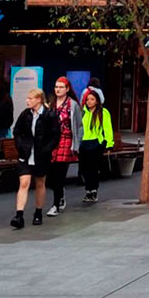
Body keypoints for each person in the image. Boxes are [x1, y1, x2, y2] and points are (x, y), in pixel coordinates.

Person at [10, 88, 59, 229]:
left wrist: (47, 149)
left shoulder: (49, 115)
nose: (27, 100)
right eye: (28, 98)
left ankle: (38, 212)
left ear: (39, 99)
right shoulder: (25, 114)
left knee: (39, 183)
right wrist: (20, 145)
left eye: (30, 98)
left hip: (41, 155)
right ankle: (19, 215)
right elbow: (17, 130)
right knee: (24, 183)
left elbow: (56, 135)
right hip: (26, 154)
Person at [46, 76, 82, 215]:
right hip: (53, 140)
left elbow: (79, 125)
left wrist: (77, 143)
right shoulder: (52, 104)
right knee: (50, 174)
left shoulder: (73, 105)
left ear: (67, 89)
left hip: (66, 139)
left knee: (60, 172)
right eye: (56, 87)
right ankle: (60, 191)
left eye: (61, 87)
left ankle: (55, 204)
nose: (58, 89)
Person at [79, 86, 113, 203]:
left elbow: (108, 129)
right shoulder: (83, 112)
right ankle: (88, 190)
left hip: (96, 143)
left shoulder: (103, 112)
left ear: (97, 101)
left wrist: (109, 144)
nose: (89, 102)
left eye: (92, 99)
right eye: (87, 99)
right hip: (84, 143)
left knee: (93, 168)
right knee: (84, 168)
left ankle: (93, 190)